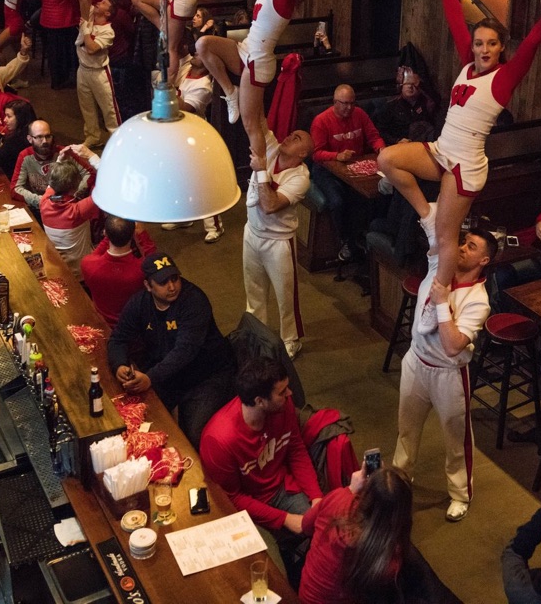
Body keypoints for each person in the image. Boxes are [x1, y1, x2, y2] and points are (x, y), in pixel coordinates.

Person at [377, 0, 541, 298]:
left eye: (492, 43)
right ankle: (426, 213)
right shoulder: (467, 64)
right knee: (387, 158)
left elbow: (533, 41)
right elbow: (454, 19)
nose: (484, 49)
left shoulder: (505, 77)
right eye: (479, 43)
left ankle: (439, 298)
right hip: (441, 150)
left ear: (502, 46)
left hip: (465, 164)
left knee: (447, 239)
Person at [392, 227, 496, 523]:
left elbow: (452, 346)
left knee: (455, 438)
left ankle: (460, 494)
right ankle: (399, 480)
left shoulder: (479, 300)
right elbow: (433, 218)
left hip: (447, 375)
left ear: (484, 260)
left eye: (472, 246)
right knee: (406, 428)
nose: (462, 248)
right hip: (416, 361)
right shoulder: (441, 265)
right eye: (463, 242)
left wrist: (441, 303)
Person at [107, 251, 236, 448]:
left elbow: (185, 351)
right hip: (168, 373)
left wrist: (150, 377)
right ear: (148, 285)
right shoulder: (139, 304)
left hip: (206, 375)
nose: (172, 286)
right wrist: (120, 366)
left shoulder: (194, 302)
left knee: (193, 434)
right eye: (163, 282)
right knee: (137, 420)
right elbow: (117, 339)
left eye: (175, 279)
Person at [197, 0, 298, 161]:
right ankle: (230, 93)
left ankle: (259, 176)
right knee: (203, 45)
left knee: (252, 125)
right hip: (245, 51)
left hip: (258, 63)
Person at [200, 356, 322, 537]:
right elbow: (232, 498)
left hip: (283, 488)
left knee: (325, 530)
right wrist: (285, 519)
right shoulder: (219, 440)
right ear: (259, 401)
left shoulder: (282, 406)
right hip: (249, 508)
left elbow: (295, 449)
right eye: (282, 392)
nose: (290, 394)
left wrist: (316, 496)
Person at [244, 120, 314, 359]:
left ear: (303, 154)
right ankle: (256, 332)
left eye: (297, 138)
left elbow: (270, 204)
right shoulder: (271, 148)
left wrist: (261, 170)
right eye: (291, 133)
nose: (289, 137)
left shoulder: (301, 178)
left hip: (278, 241)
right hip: (252, 232)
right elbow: (255, 118)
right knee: (253, 290)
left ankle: (290, 340)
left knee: (285, 296)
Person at [299, 467, 412, 604]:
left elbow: (305, 525)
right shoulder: (387, 559)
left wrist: (350, 490)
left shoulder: (338, 499)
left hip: (305, 595)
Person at [311, 84, 386, 262]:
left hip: (354, 168)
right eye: (344, 103)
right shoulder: (321, 121)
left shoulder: (359, 114)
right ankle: (345, 240)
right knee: (338, 201)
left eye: (352, 103)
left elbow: (374, 137)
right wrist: (337, 155)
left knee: (374, 195)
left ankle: (367, 240)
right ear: (335, 102)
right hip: (326, 170)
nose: (349, 108)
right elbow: (316, 153)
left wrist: (382, 150)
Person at [157, 50, 225, 243]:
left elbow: (185, 108)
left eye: (200, 54)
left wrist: (168, 87)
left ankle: (215, 225)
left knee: (201, 182)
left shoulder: (204, 86)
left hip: (194, 136)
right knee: (177, 178)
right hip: (176, 132)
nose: (195, 53)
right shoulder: (186, 69)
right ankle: (183, 218)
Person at [81, 216, 156, 326]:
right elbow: (154, 261)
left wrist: (112, 232)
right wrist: (142, 234)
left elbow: (96, 254)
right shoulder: (141, 270)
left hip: (102, 319)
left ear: (105, 233)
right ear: (133, 235)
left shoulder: (87, 264)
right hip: (132, 322)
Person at [25, 0, 80, 89]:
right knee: (69, 52)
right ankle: (71, 78)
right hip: (67, 22)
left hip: (48, 23)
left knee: (54, 53)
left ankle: (56, 81)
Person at [11, 120, 91, 211]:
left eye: (48, 136)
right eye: (39, 137)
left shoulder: (65, 153)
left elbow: (90, 173)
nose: (45, 141)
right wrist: (42, 201)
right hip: (41, 208)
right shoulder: (25, 156)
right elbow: (15, 188)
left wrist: (74, 195)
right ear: (30, 139)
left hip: (69, 207)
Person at [40, 158, 100, 277]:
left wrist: (60, 160)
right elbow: (108, 185)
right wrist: (89, 156)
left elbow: (52, 183)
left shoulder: (44, 202)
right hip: (80, 273)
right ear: (76, 185)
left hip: (57, 268)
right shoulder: (78, 211)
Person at [76, 0, 120, 149]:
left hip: (99, 73)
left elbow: (92, 48)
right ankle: (93, 137)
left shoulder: (108, 31)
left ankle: (117, 139)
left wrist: (86, 31)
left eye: (103, 3)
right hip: (82, 69)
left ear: (107, 13)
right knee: (86, 106)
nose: (99, 2)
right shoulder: (89, 16)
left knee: (109, 109)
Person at [373, 68, 440, 145]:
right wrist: (396, 140)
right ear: (401, 86)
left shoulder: (425, 102)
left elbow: (437, 99)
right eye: (407, 83)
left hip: (424, 145)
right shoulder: (390, 106)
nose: (410, 86)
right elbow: (380, 132)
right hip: (401, 146)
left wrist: (421, 85)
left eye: (414, 84)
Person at [0, 99, 36, 180]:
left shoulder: (16, 140)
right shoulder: (33, 132)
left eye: (9, 116)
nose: (4, 120)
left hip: (17, 182)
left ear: (20, 118)